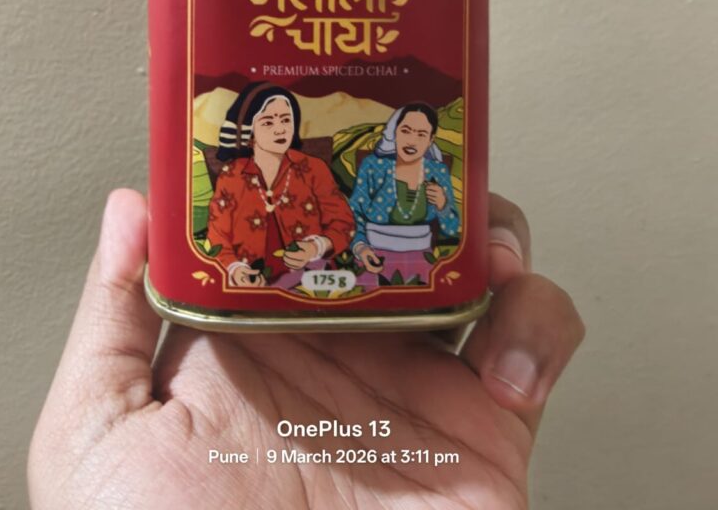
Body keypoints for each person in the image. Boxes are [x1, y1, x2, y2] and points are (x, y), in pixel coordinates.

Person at [28, 187, 584, 510]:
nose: (278, 125)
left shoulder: (310, 174)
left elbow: (339, 219)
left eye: (285, 118)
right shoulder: (235, 178)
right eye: (267, 117)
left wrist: (321, 241)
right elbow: (220, 231)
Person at [207, 82, 355, 287]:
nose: (280, 130)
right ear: (250, 131)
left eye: (286, 120)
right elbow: (218, 235)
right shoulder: (232, 175)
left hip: (310, 280)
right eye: (268, 122)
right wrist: (236, 269)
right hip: (252, 281)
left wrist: (316, 247)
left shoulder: (313, 169)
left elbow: (343, 222)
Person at [349, 102, 458, 285]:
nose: (411, 141)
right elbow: (354, 213)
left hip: (421, 258)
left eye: (421, 134)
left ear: (431, 139)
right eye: (406, 131)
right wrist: (361, 248)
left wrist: (443, 204)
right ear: (395, 133)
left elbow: (452, 228)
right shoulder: (373, 166)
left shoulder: (437, 171)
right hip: (373, 255)